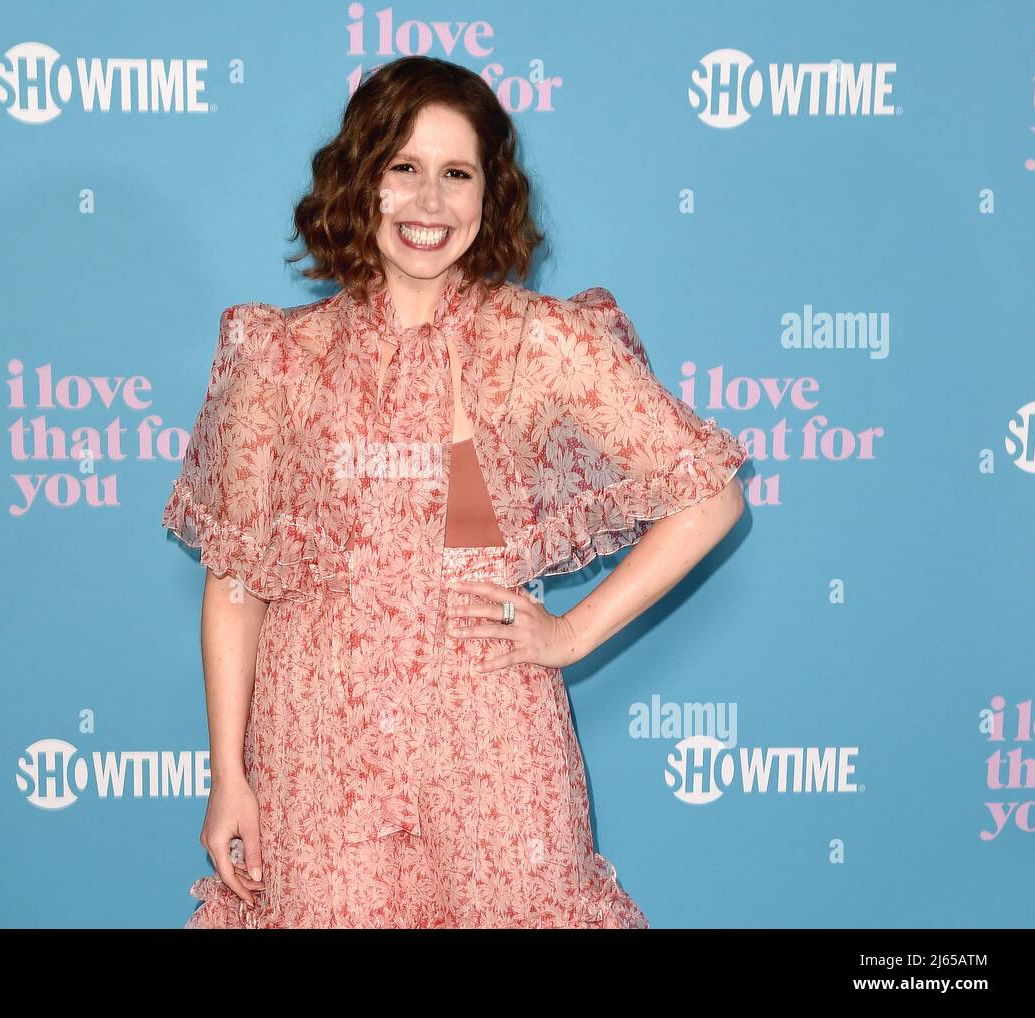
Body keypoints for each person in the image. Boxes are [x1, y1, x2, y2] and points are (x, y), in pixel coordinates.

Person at [162, 55, 749, 928]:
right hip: (321, 751)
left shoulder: (542, 344)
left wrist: (573, 632)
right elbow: (238, 582)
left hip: (492, 741)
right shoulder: (276, 358)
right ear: (361, 182)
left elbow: (710, 496)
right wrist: (228, 775)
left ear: (489, 193)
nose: (429, 202)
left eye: (456, 173)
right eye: (403, 168)